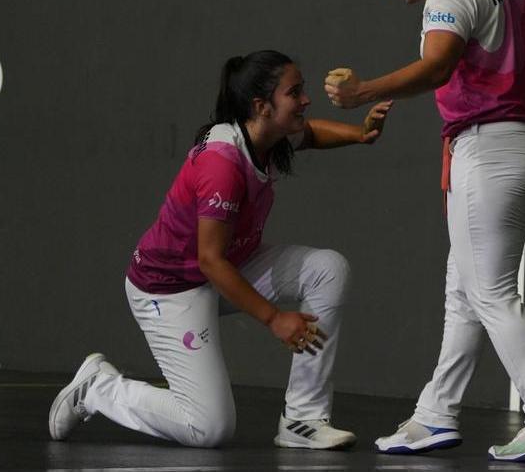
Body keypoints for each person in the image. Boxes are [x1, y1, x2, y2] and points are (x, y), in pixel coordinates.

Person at [322, 0, 525, 462]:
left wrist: (363, 91)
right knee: (463, 291)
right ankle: (435, 415)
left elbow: (437, 67)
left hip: (490, 154)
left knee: (489, 294)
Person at [47, 50, 392, 449]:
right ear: (261, 106)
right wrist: (274, 318)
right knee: (209, 428)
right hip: (169, 287)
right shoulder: (223, 164)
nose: (305, 99)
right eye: (295, 92)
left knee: (328, 269)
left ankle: (303, 420)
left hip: (226, 268)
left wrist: (359, 134)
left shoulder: (268, 137)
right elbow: (210, 260)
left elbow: (310, 134)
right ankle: (98, 388)